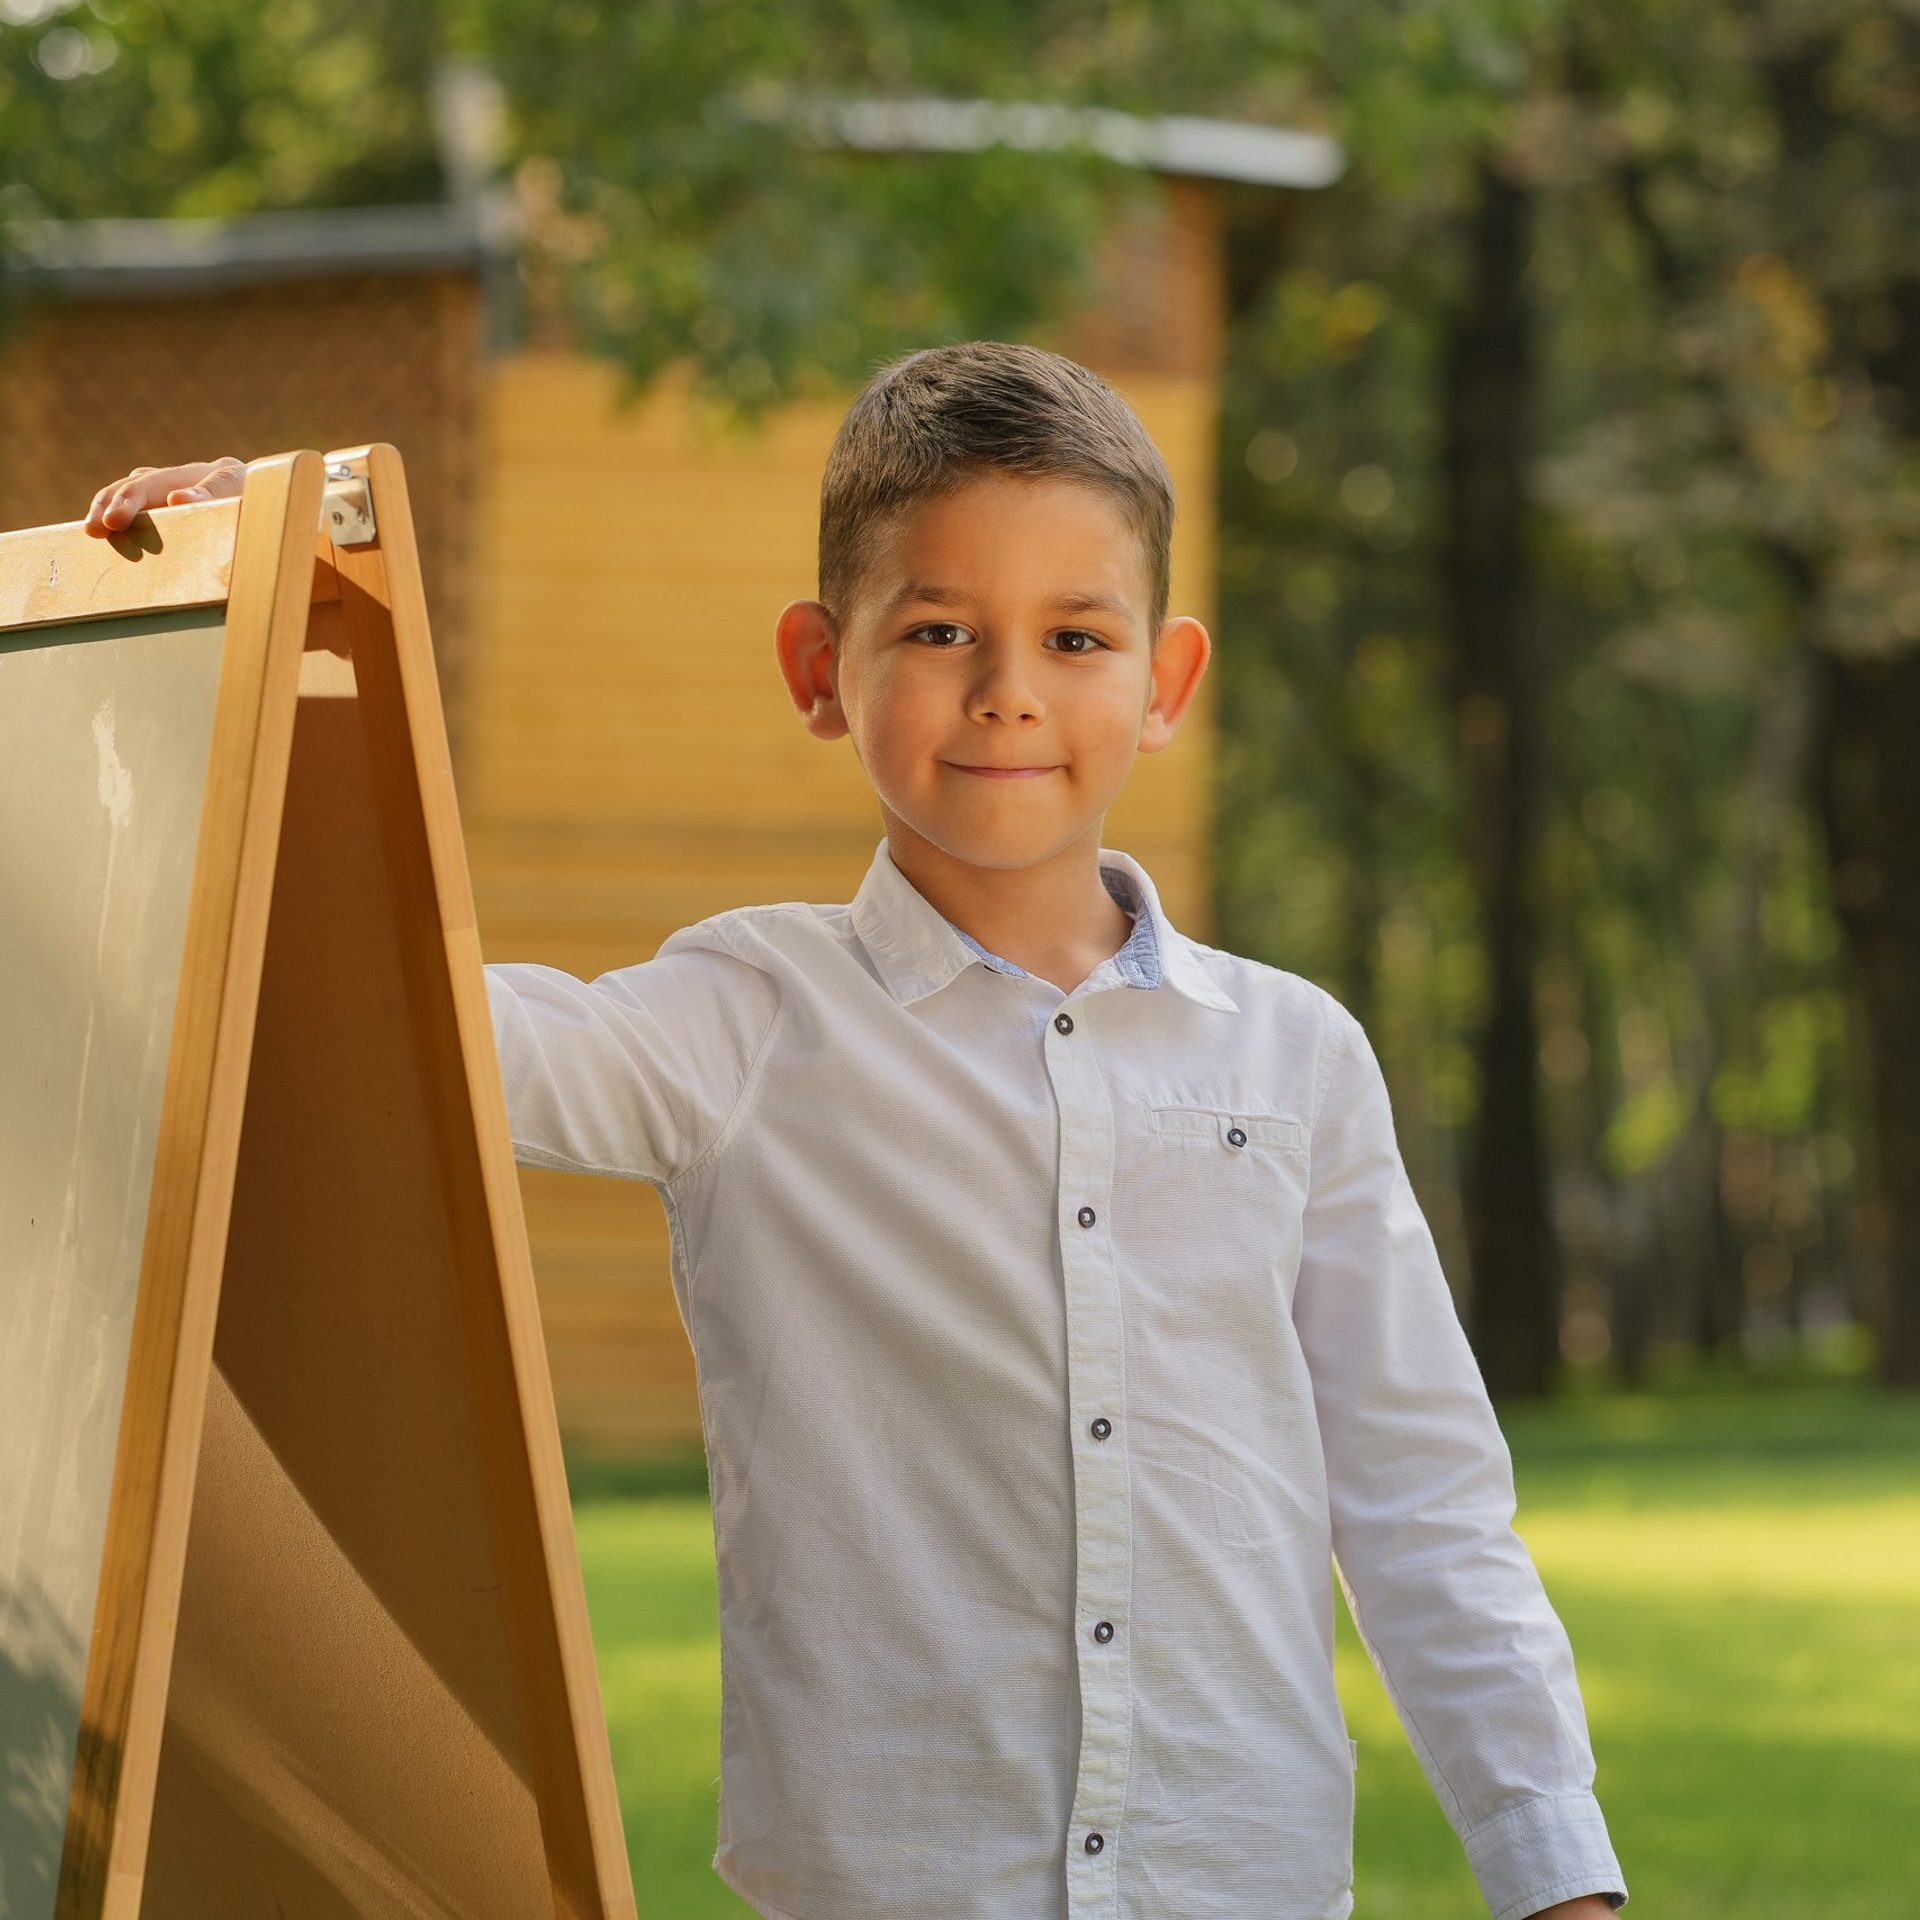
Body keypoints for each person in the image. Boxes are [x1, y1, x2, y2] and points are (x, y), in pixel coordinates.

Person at [85, 342, 1627, 1920]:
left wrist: (1557, 1877)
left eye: (1076, 635)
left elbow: (1423, 1501)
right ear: (821, 669)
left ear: (1163, 684)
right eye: (941, 627)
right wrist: (254, 632)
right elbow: (424, 1018)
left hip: (1240, 1885)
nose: (1009, 686)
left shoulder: (1300, 1057)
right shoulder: (743, 1021)